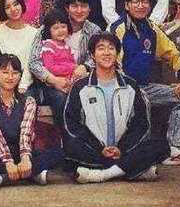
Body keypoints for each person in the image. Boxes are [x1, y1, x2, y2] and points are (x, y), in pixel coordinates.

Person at [111, 0, 180, 165]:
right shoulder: (118, 28)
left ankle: (174, 150)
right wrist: (130, 89)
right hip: (121, 90)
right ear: (127, 5)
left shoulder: (152, 30)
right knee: (142, 100)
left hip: (145, 87)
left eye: (145, 2)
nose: (140, 6)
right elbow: (113, 63)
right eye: (135, 1)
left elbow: (173, 53)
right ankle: (142, 153)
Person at [63, 32, 170, 183]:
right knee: (69, 148)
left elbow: (141, 123)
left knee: (161, 145)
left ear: (117, 53)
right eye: (101, 48)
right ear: (92, 55)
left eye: (111, 48)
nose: (106, 53)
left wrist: (122, 148)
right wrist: (99, 148)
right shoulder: (80, 87)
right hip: (95, 152)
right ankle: (132, 170)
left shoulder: (130, 85)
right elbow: (72, 124)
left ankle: (103, 174)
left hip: (124, 151)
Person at [0, 54, 64, 190]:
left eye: (15, 73)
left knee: (60, 152)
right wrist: (8, 163)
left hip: (21, 154)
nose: (10, 77)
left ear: (20, 75)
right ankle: (30, 174)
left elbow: (26, 133)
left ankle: (2, 177)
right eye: (5, 72)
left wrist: (25, 159)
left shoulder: (29, 101)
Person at [28, 0, 101, 125]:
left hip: (81, 80)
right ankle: (67, 136)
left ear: (90, 8)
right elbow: (34, 62)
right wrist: (53, 80)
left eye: (84, 6)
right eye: (74, 6)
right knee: (61, 99)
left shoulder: (94, 30)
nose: (79, 10)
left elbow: (98, 56)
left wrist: (85, 66)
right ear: (67, 8)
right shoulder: (48, 27)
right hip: (51, 83)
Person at [0, 0, 39, 95]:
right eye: (7, 7)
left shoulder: (34, 33)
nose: (13, 9)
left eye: (16, 4)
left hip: (26, 85)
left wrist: (22, 85)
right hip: (1, 85)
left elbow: (31, 64)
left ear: (21, 4)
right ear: (3, 11)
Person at [40, 9, 76, 82]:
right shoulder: (48, 46)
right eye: (56, 28)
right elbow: (51, 68)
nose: (60, 31)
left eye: (63, 27)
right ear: (49, 30)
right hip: (55, 82)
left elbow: (73, 63)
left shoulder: (67, 47)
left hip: (69, 80)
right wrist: (71, 68)